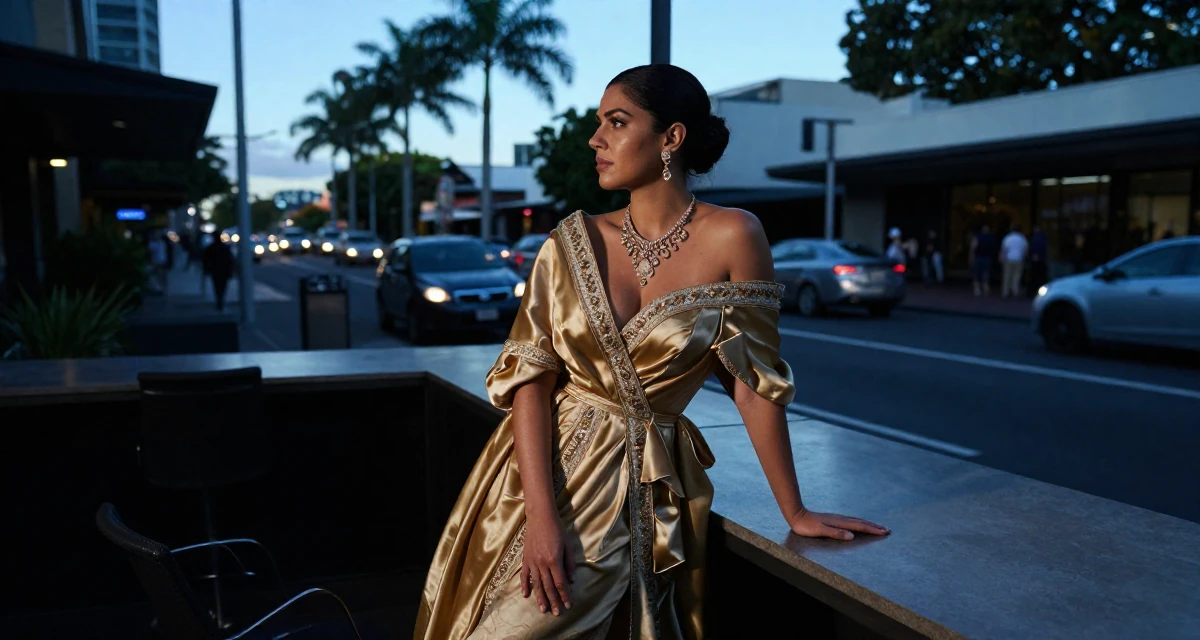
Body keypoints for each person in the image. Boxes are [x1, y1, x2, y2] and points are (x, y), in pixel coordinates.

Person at [414, 64, 889, 640]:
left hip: (646, 483)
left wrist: (795, 511)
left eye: (617, 122)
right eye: (599, 124)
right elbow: (529, 384)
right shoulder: (570, 241)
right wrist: (541, 520)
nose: (597, 139)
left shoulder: (735, 236)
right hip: (535, 483)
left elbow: (752, 383)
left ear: (672, 138)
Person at [201, 230, 235, 312]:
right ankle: (220, 301)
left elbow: (206, 260)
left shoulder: (210, 248)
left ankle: (219, 301)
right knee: (222, 287)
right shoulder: (224, 248)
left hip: (216, 271)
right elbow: (230, 260)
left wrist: (206, 270)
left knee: (217, 287)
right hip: (223, 270)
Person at [1000, 224, 1029, 298]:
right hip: (1018, 259)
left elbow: (1004, 249)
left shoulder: (1007, 238)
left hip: (1009, 259)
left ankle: (1006, 292)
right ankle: (1015, 291)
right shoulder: (1022, 238)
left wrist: (1002, 258)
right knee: (1017, 276)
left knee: (1007, 276)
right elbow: (1025, 250)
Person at [970, 223, 997, 296]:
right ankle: (985, 289)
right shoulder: (991, 237)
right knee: (985, 274)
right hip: (987, 258)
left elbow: (973, 247)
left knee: (977, 274)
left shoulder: (978, 237)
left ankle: (977, 289)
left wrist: (971, 257)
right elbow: (994, 248)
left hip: (979, 257)